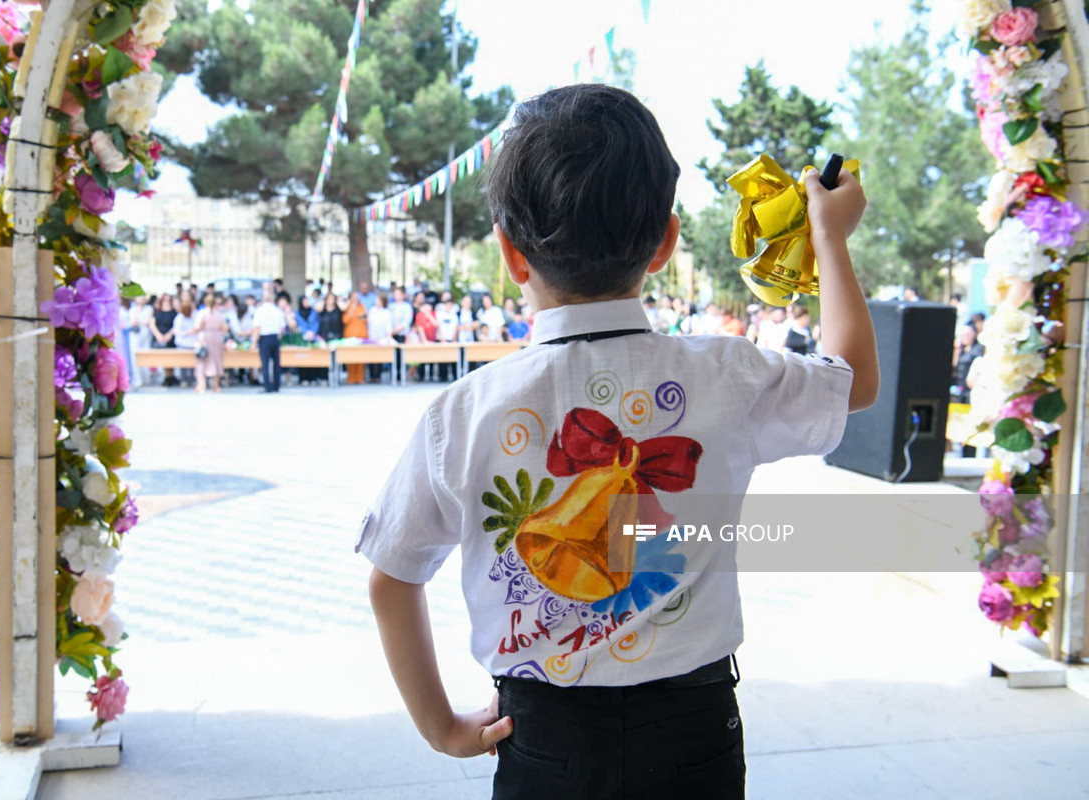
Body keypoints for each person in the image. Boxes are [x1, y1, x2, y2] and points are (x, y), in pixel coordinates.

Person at [359, 84, 876, 797]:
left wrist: (441, 726)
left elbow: (391, 576)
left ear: (511, 254)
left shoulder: (464, 412)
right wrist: (829, 238)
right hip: (694, 732)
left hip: (542, 740)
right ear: (665, 241)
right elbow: (852, 379)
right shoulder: (729, 373)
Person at [251, 284, 287, 392]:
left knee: (265, 364)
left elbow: (257, 328)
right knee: (276, 363)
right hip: (275, 338)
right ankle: (276, 386)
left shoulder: (259, 311)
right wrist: (278, 337)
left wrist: (254, 342)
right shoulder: (278, 311)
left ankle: (268, 387)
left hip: (264, 338)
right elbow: (282, 329)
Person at [191, 294, 228, 393]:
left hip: (205, 337)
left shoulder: (202, 313)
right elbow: (224, 327)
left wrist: (189, 332)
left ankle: (202, 384)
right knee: (216, 359)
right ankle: (215, 385)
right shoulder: (219, 314)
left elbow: (197, 327)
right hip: (216, 337)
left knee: (202, 360)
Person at [149, 293, 178, 387]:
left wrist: (169, 335)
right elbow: (152, 324)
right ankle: (167, 377)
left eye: (168, 300)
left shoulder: (174, 312)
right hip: (159, 337)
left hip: (170, 339)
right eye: (165, 300)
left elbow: (176, 325)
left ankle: (170, 376)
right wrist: (158, 335)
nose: (166, 302)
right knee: (163, 358)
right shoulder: (157, 312)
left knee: (171, 358)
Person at [342, 290, 369, 384]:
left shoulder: (362, 306)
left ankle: (360, 378)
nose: (356, 299)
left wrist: (364, 318)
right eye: (354, 298)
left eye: (357, 298)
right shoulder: (347, 307)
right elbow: (345, 321)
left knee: (360, 358)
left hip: (361, 336)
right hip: (350, 336)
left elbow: (366, 319)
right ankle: (351, 378)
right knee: (351, 358)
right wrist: (352, 310)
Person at [952, 324, 983, 404]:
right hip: (958, 389)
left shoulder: (978, 350)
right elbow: (954, 365)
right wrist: (956, 350)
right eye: (963, 335)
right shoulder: (961, 350)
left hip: (969, 390)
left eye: (968, 334)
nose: (965, 337)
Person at [172, 297, 199, 387]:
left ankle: (192, 379)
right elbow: (178, 331)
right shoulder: (179, 318)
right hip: (182, 344)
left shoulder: (196, 315)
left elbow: (198, 327)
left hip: (193, 343)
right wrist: (190, 332)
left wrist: (193, 331)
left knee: (193, 364)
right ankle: (183, 380)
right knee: (183, 363)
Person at [367, 292, 393, 383]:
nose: (377, 301)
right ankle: (371, 376)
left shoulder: (387, 312)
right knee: (370, 357)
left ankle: (378, 376)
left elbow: (388, 325)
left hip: (382, 337)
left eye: (379, 300)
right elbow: (369, 323)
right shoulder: (372, 310)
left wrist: (388, 336)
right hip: (372, 336)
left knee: (379, 357)